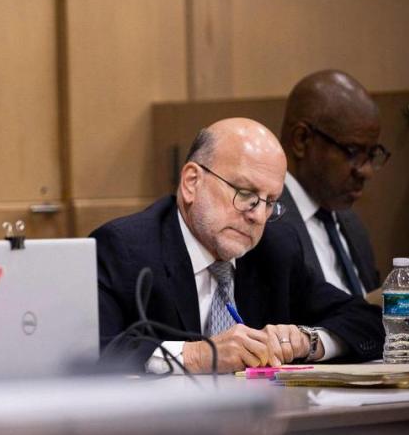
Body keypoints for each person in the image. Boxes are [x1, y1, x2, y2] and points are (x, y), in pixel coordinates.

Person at [92, 118, 383, 374]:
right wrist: (198, 356)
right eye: (246, 193)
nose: (257, 215)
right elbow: (91, 351)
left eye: (270, 202)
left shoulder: (275, 248)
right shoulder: (124, 248)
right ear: (192, 182)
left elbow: (367, 321)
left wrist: (307, 341)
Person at [279, 70, 388, 297]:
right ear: (302, 140)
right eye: (353, 151)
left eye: (372, 153)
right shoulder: (264, 223)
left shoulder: (351, 223)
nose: (366, 171)